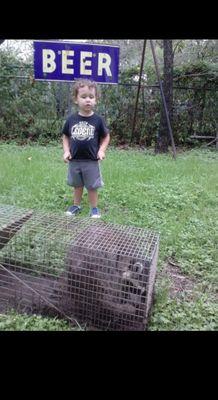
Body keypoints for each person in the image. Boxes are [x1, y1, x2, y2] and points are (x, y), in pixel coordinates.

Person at [62, 79, 110, 218]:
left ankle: (94, 208)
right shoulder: (71, 119)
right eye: (83, 97)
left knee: (92, 186)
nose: (87, 100)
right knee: (77, 185)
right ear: (76, 99)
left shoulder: (98, 120)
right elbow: (65, 136)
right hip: (74, 160)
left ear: (96, 100)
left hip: (91, 161)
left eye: (91, 97)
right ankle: (76, 205)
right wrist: (66, 151)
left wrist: (101, 150)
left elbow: (106, 137)